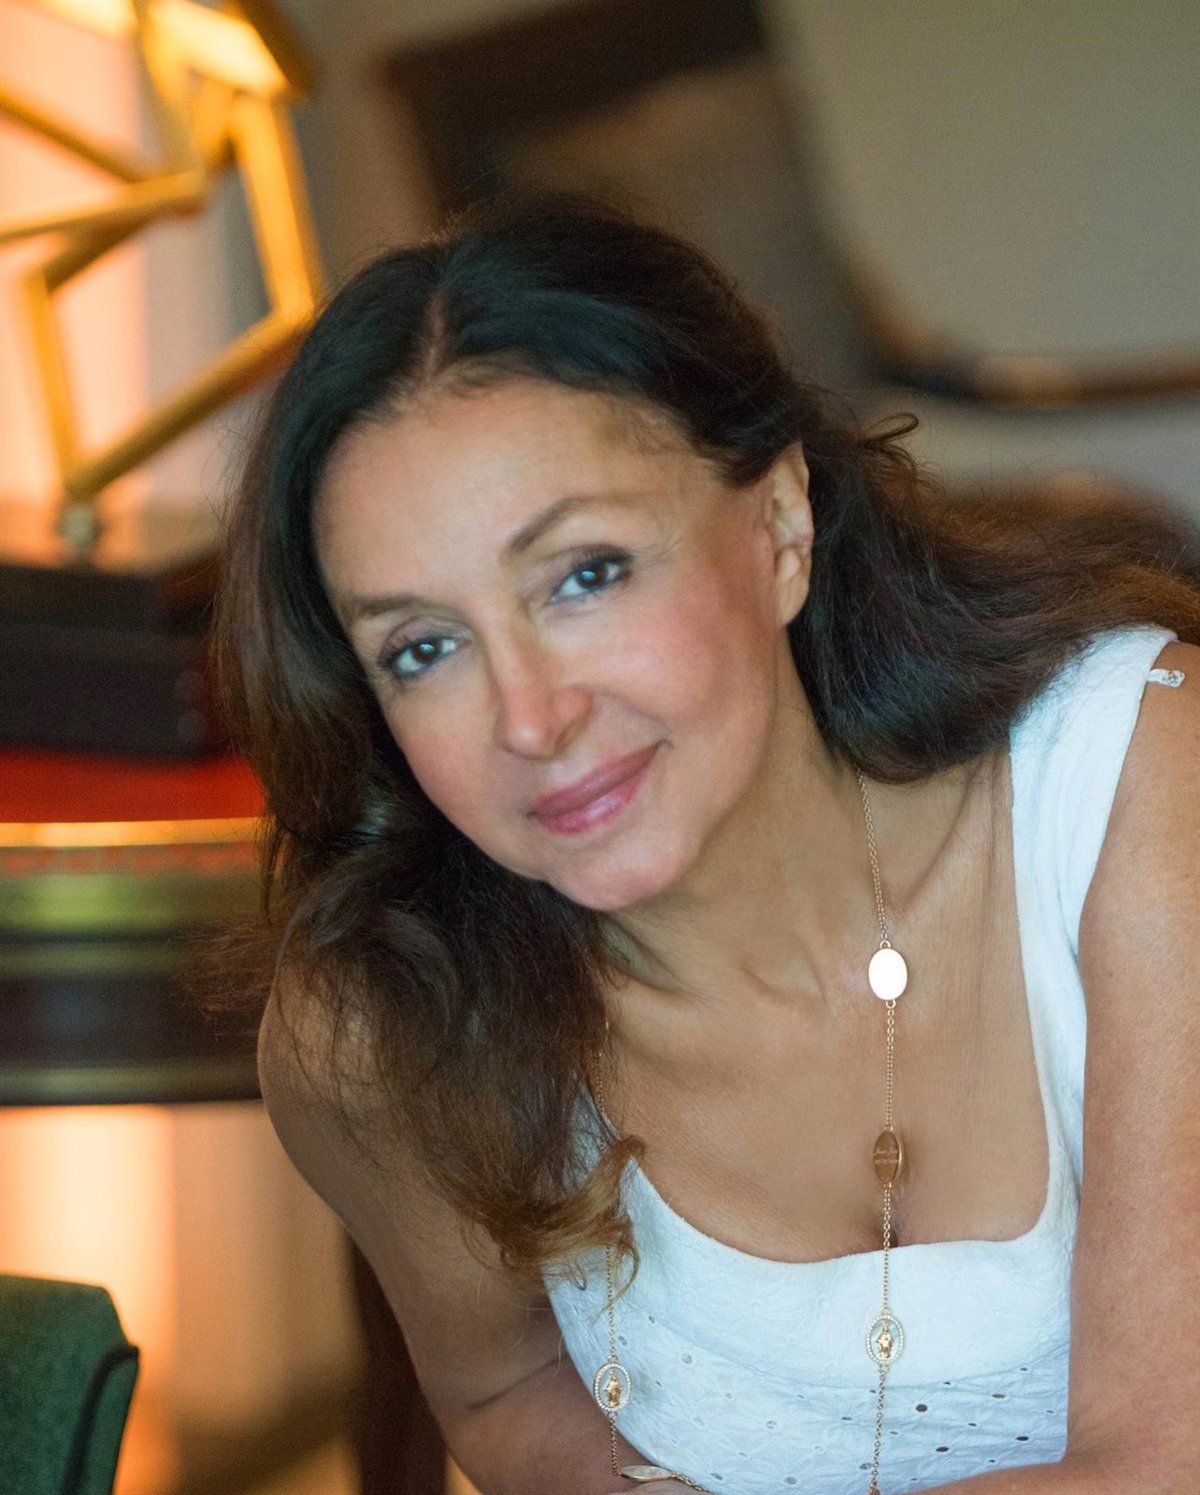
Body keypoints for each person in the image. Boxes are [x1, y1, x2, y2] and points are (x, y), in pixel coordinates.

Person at [217, 191, 1200, 1494]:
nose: (531, 720)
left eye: (585, 575)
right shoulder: (386, 1029)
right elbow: (504, 1390)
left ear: (780, 526)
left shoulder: (1138, 783)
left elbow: (1165, 1465)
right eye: (424, 647)